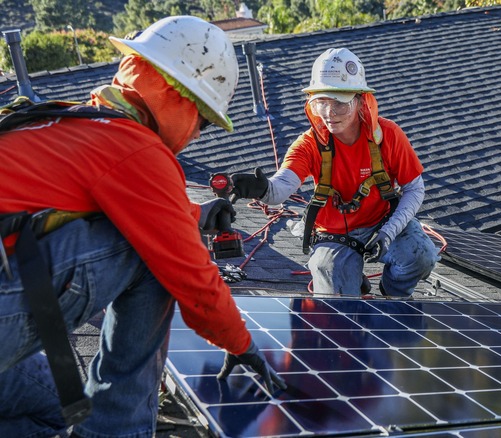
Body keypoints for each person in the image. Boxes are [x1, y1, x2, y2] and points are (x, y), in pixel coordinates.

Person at [0, 16, 285, 437]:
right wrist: (241, 345)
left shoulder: (68, 121)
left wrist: (195, 214)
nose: (196, 135)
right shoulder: (133, 147)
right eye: (203, 123)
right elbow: (190, 274)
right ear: (182, 100)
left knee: (64, 407)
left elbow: (132, 199)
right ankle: (118, 430)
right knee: (150, 251)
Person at [230, 48, 439, 297]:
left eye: (340, 103)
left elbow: (414, 188)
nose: (330, 113)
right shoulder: (309, 144)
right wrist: (262, 190)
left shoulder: (387, 135)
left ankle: (393, 294)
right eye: (321, 103)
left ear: (360, 101)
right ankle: (350, 278)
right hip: (335, 234)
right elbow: (280, 189)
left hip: (382, 222)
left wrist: (388, 232)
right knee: (337, 304)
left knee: (421, 255)